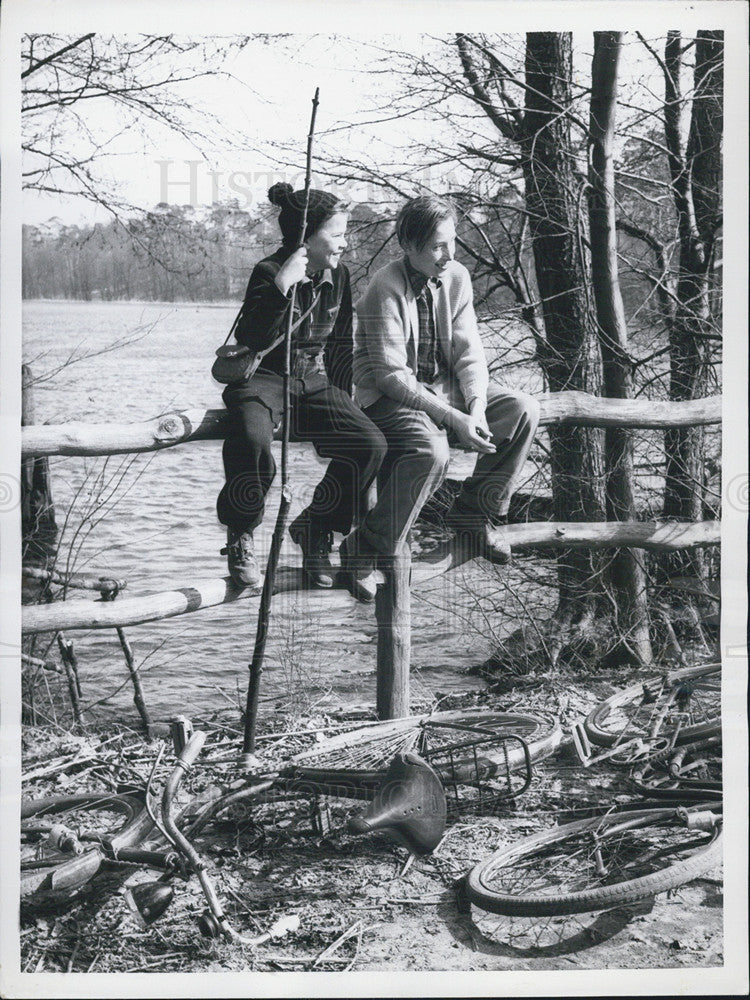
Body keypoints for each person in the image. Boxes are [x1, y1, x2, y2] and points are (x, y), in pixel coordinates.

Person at [347, 194, 539, 586]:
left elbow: (470, 354)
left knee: (523, 410)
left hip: (442, 389)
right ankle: (367, 543)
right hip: (389, 395)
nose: (448, 254)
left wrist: (478, 408)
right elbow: (391, 376)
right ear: (408, 245)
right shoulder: (384, 286)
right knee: (431, 451)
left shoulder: (457, 277)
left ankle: (473, 513)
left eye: (452, 241)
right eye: (437, 245)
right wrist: (454, 418)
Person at [217, 182, 387, 600]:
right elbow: (253, 336)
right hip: (262, 380)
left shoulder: (339, 275)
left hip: (311, 382)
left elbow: (341, 344)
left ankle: (317, 527)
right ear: (305, 237)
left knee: (369, 442)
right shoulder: (268, 271)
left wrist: (345, 403)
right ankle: (242, 533)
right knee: (253, 438)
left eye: (345, 234)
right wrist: (281, 287)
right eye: (337, 234)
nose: (345, 244)